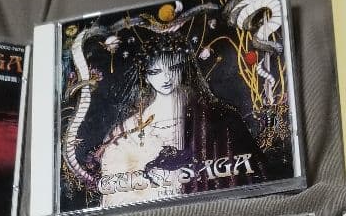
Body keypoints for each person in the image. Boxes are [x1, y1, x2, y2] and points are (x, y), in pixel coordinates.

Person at [82, 36, 265, 207]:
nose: (166, 78)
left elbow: (243, 172)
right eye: (155, 71)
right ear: (146, 76)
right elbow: (116, 189)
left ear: (183, 68)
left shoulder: (217, 115)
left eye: (173, 68)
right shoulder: (128, 129)